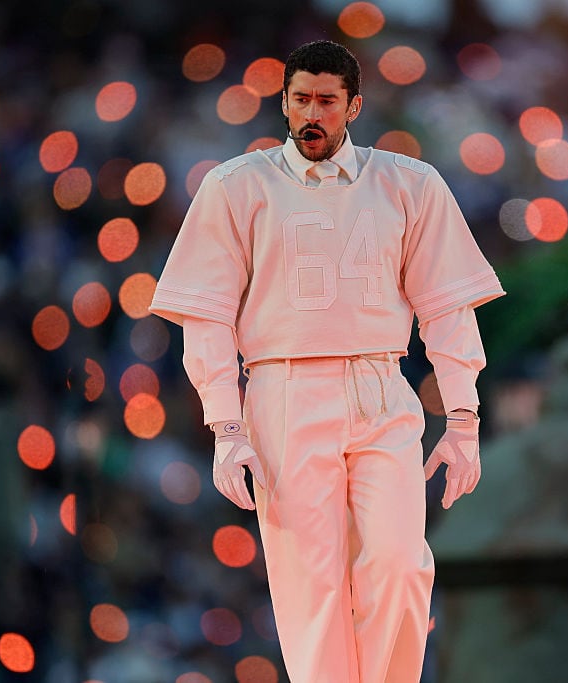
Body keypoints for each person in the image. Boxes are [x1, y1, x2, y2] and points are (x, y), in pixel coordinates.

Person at [149, 39, 504, 683]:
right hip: (283, 391)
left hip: (380, 382)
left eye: (326, 101)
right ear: (284, 102)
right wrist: (226, 428)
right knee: (309, 586)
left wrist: (463, 418)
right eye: (301, 99)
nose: (312, 113)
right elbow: (206, 318)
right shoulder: (236, 187)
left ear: (353, 106)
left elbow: (449, 310)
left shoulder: (409, 183)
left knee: (401, 561)